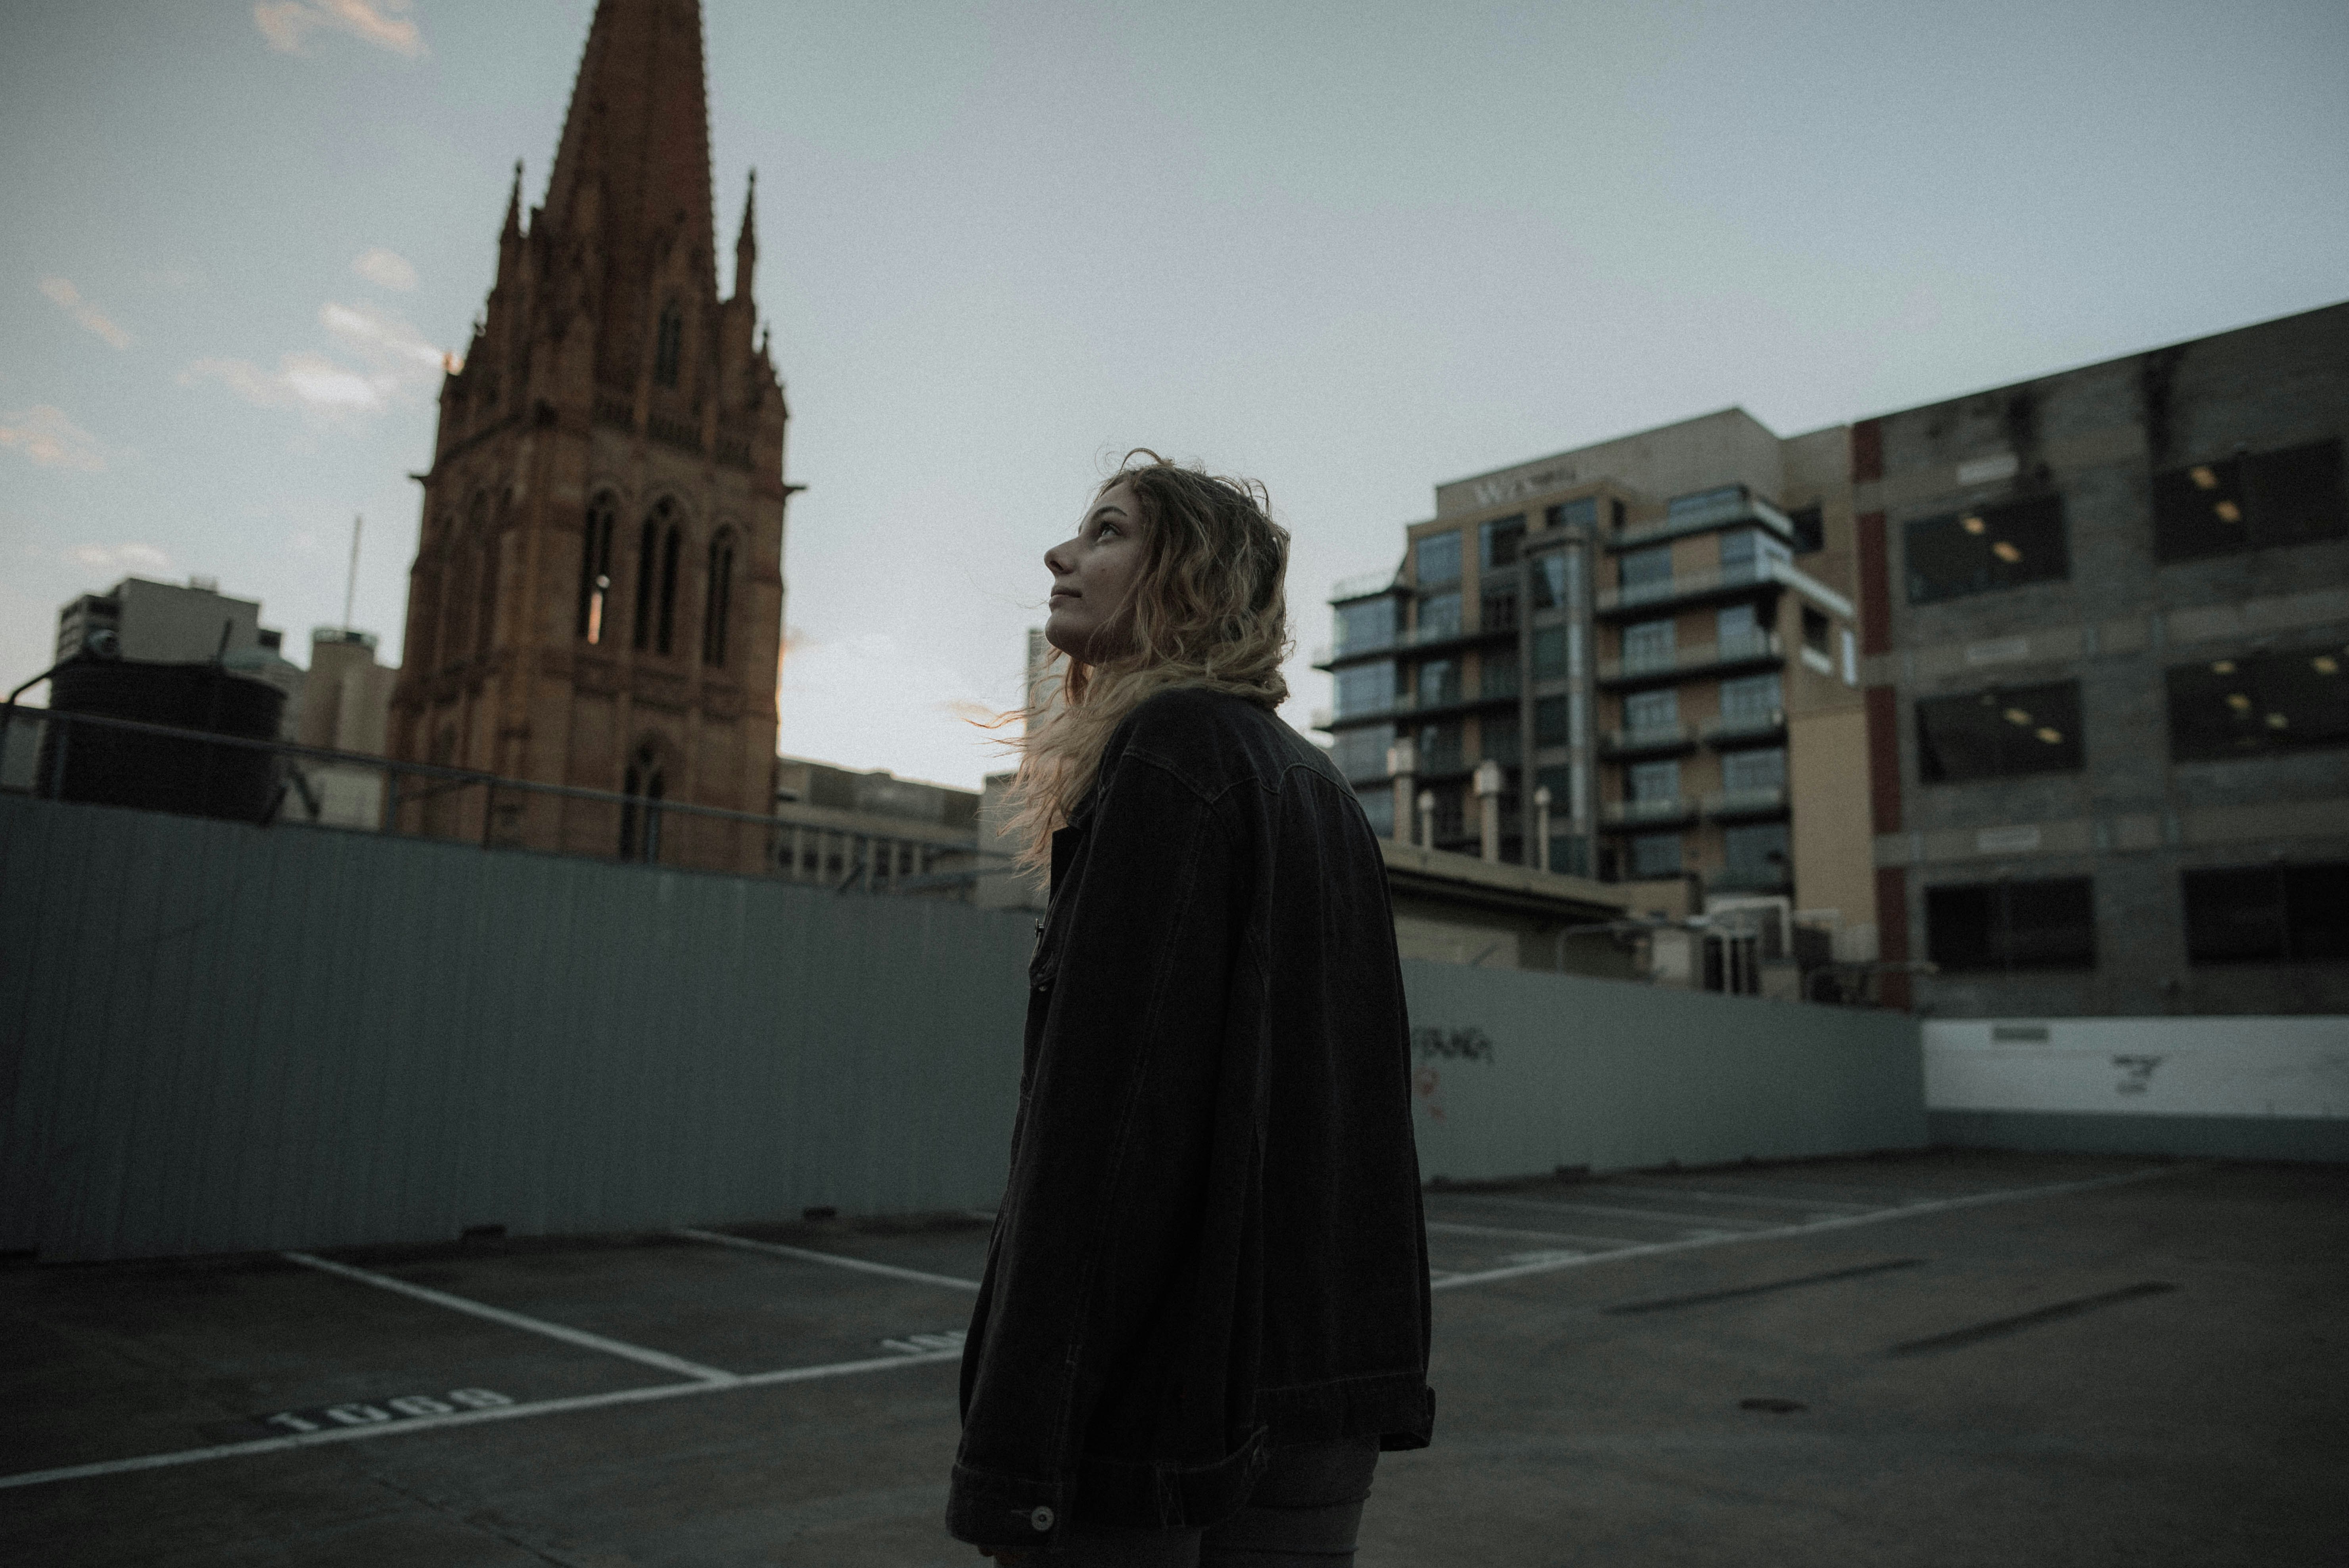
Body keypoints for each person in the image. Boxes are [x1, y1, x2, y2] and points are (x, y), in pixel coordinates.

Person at [947, 453, 1433, 1566]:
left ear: (1189, 580)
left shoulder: (1170, 753)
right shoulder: (1318, 790)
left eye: (1107, 531)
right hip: (1326, 1373)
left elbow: (1107, 1129)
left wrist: (1024, 1434)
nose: (1060, 556)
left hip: (1164, 1394)